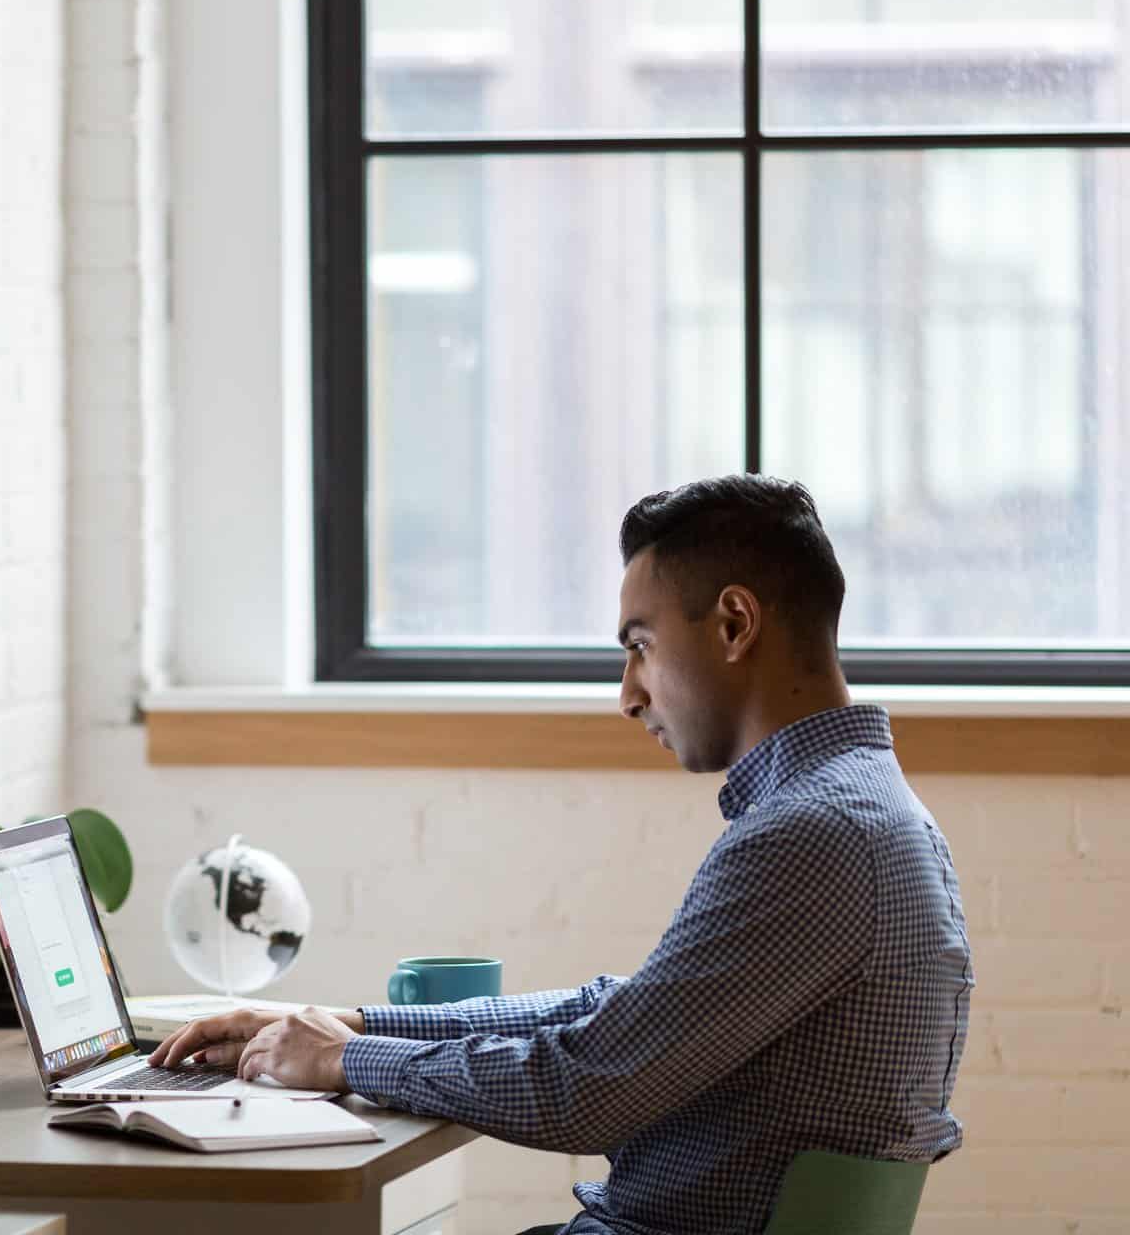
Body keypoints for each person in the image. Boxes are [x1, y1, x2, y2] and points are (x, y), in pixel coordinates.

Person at [147, 475, 975, 1235]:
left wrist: (342, 1060)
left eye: (640, 644)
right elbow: (622, 1014)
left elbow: (589, 1089)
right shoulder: (863, 813)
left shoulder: (813, 836)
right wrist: (356, 1024)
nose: (628, 693)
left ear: (734, 624)